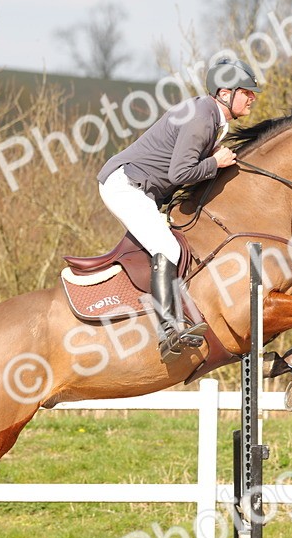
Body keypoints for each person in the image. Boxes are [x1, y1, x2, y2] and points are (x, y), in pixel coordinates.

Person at [96, 57, 261, 361]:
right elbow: (180, 173)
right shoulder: (202, 117)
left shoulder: (211, 116)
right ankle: (168, 332)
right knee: (167, 248)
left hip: (144, 188)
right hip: (126, 185)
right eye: (247, 92)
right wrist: (215, 163)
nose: (253, 97)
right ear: (225, 93)